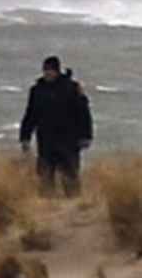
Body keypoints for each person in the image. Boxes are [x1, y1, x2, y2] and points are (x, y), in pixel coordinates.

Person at [20, 55, 95, 192]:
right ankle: (47, 205)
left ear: (57, 71)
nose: (48, 73)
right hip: (46, 140)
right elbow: (30, 115)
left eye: (50, 70)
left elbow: (83, 113)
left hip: (69, 140)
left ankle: (73, 203)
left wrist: (86, 136)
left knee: (70, 175)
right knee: (45, 176)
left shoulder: (71, 88)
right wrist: (25, 137)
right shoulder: (37, 90)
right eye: (45, 70)